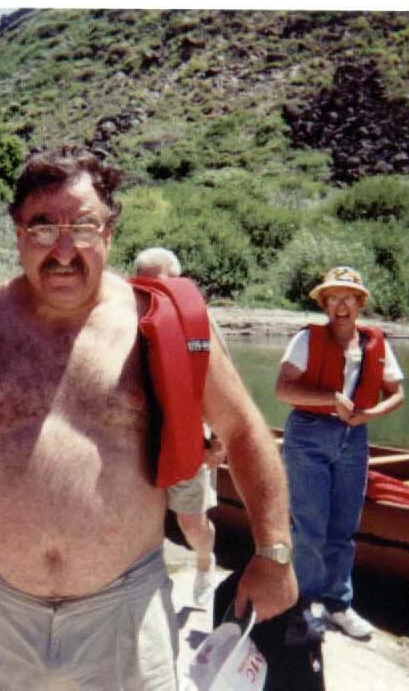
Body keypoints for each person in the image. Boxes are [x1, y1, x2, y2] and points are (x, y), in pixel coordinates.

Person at [0, 145, 297, 689]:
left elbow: (243, 428)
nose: (63, 250)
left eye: (82, 226)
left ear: (109, 232)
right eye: (42, 226)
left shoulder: (162, 325)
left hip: (123, 614)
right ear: (17, 233)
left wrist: (273, 551)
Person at [274, 266, 404, 641]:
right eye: (333, 298)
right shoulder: (306, 339)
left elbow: (397, 393)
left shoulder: (376, 343)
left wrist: (370, 414)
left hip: (355, 437)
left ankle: (338, 605)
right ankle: (303, 605)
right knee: (310, 526)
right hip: (309, 435)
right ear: (325, 304)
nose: (341, 305)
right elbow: (283, 390)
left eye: (348, 298)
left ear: (360, 303)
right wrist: (331, 400)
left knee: (344, 528)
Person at [133, 246, 226, 606]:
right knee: (139, 519)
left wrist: (218, 440)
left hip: (187, 438)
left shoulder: (198, 319)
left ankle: (204, 563)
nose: (161, 288)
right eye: (151, 281)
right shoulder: (123, 317)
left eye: (169, 280)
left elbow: (221, 384)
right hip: (138, 441)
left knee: (192, 523)